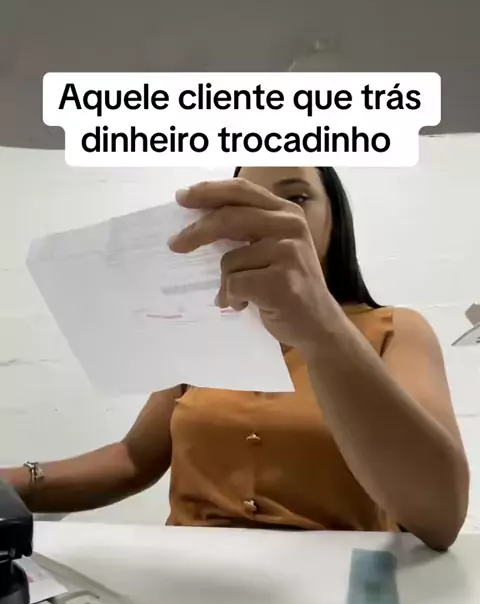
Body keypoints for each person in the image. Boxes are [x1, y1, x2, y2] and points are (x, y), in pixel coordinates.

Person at [1, 167, 469, 550]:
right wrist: (12, 483)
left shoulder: (394, 330)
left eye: (296, 198)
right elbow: (132, 459)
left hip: (339, 591)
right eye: (243, 204)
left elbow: (441, 516)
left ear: (336, 222)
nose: (263, 219)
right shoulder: (197, 328)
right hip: (190, 580)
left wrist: (322, 329)